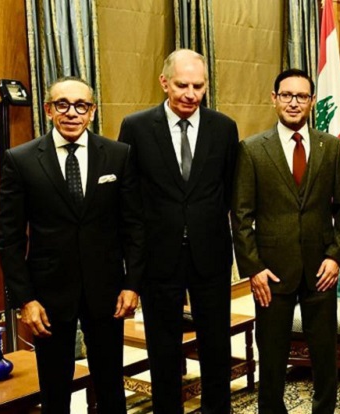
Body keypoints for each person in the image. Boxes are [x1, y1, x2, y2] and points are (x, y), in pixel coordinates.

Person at [0, 77, 145, 413]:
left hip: (107, 291)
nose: (72, 113)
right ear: (49, 110)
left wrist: (132, 284)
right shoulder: (20, 160)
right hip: (48, 295)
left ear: (92, 111)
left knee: (111, 386)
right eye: (62, 104)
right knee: (54, 390)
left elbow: (134, 227)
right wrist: (25, 299)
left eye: (81, 105)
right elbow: (9, 238)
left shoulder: (118, 155)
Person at [118, 49, 239, 413]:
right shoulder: (136, 127)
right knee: (163, 350)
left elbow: (230, 191)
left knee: (216, 347)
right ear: (164, 82)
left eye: (198, 86)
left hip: (210, 255)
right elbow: (129, 198)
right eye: (182, 85)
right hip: (159, 257)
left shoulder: (224, 128)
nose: (190, 94)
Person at [232, 68, 340, 414]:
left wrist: (336, 256)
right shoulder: (252, 150)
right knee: (271, 357)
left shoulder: (330, 147)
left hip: (321, 270)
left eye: (301, 96)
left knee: (325, 355)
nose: (293, 102)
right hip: (272, 274)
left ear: (312, 102)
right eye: (286, 95)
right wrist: (254, 269)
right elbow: (241, 216)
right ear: (274, 99)